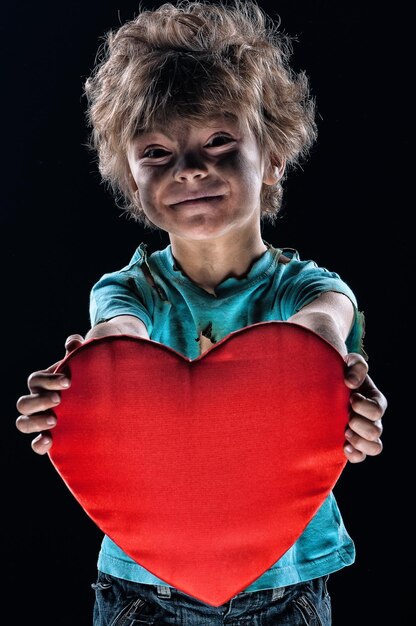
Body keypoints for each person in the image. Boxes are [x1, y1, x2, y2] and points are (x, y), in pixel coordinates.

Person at [15, 1, 386, 624]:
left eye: (219, 140)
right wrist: (80, 380)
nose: (189, 168)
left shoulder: (311, 289)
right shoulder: (127, 292)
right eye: (156, 152)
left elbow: (322, 328)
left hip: (287, 594)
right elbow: (117, 334)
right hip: (140, 593)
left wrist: (337, 395)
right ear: (131, 180)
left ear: (272, 156)